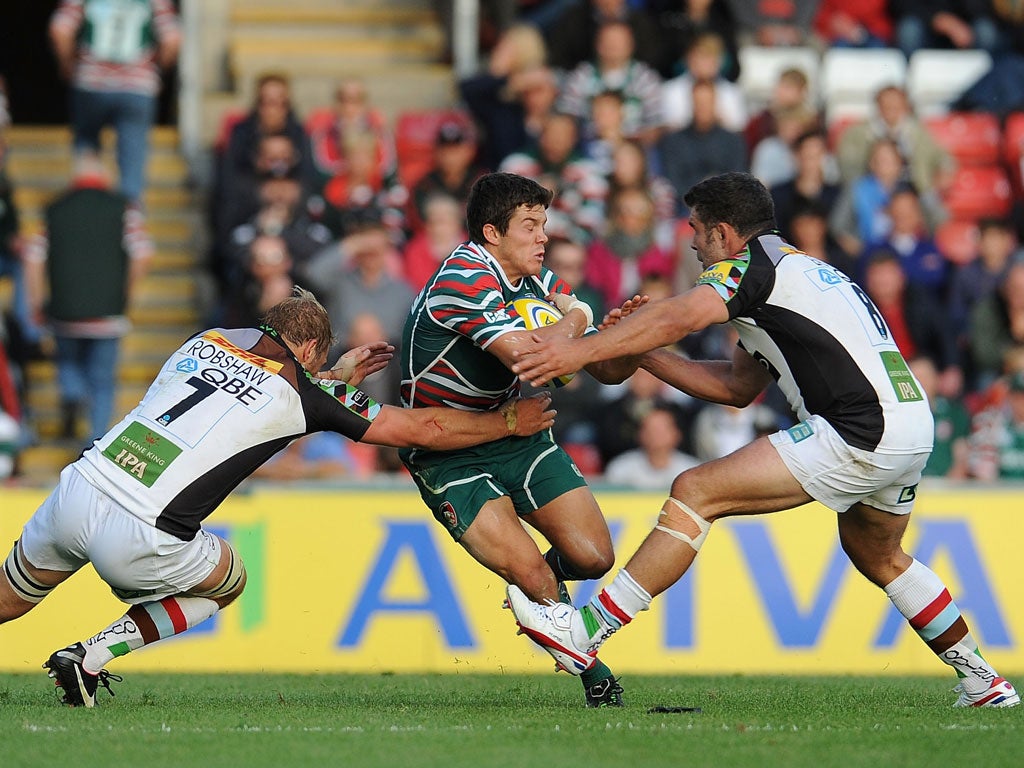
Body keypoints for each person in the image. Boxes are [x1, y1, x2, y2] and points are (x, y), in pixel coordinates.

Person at [505, 171, 1020, 709]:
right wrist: (643, 353)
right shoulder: (796, 272)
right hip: (909, 425)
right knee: (878, 553)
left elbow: (683, 314)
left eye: (698, 231)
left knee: (696, 489)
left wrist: (580, 350)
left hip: (861, 426)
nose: (692, 243)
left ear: (725, 235)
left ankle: (583, 631)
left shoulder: (751, 267)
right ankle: (984, 681)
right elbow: (733, 387)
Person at [0, 286, 555, 707]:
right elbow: (420, 430)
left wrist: (332, 380)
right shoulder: (305, 391)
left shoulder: (206, 340)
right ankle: (90, 656)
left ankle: (81, 659)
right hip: (145, 528)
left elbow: (255, 381)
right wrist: (507, 421)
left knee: (9, 597)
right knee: (228, 580)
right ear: (312, 347)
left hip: (84, 484)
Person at [400, 172, 642, 708]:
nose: (543, 238)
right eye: (530, 226)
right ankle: (595, 676)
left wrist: (603, 331)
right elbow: (535, 357)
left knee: (595, 556)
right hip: (448, 447)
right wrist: (580, 320)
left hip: (518, 429)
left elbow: (583, 340)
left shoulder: (528, 277)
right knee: (530, 567)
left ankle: (538, 601)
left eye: (544, 225)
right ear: (492, 232)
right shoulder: (463, 278)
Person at [23, 154, 153, 445]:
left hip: (64, 311)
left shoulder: (55, 209)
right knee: (103, 380)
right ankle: (94, 441)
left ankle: (71, 395)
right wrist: (126, 290)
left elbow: (32, 258)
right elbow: (143, 252)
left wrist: (36, 301)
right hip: (108, 313)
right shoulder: (123, 209)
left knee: (67, 362)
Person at [48, 0, 181, 205]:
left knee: (87, 153)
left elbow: (60, 29)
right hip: (137, 87)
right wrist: (157, 71)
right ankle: (130, 226)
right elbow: (172, 39)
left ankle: (86, 214)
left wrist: (69, 66)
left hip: (91, 84)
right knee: (132, 164)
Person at [603, 403, 700, 489]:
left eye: (661, 430)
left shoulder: (692, 470)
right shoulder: (620, 468)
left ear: (677, 434)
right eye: (650, 429)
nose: (655, 435)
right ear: (639, 434)